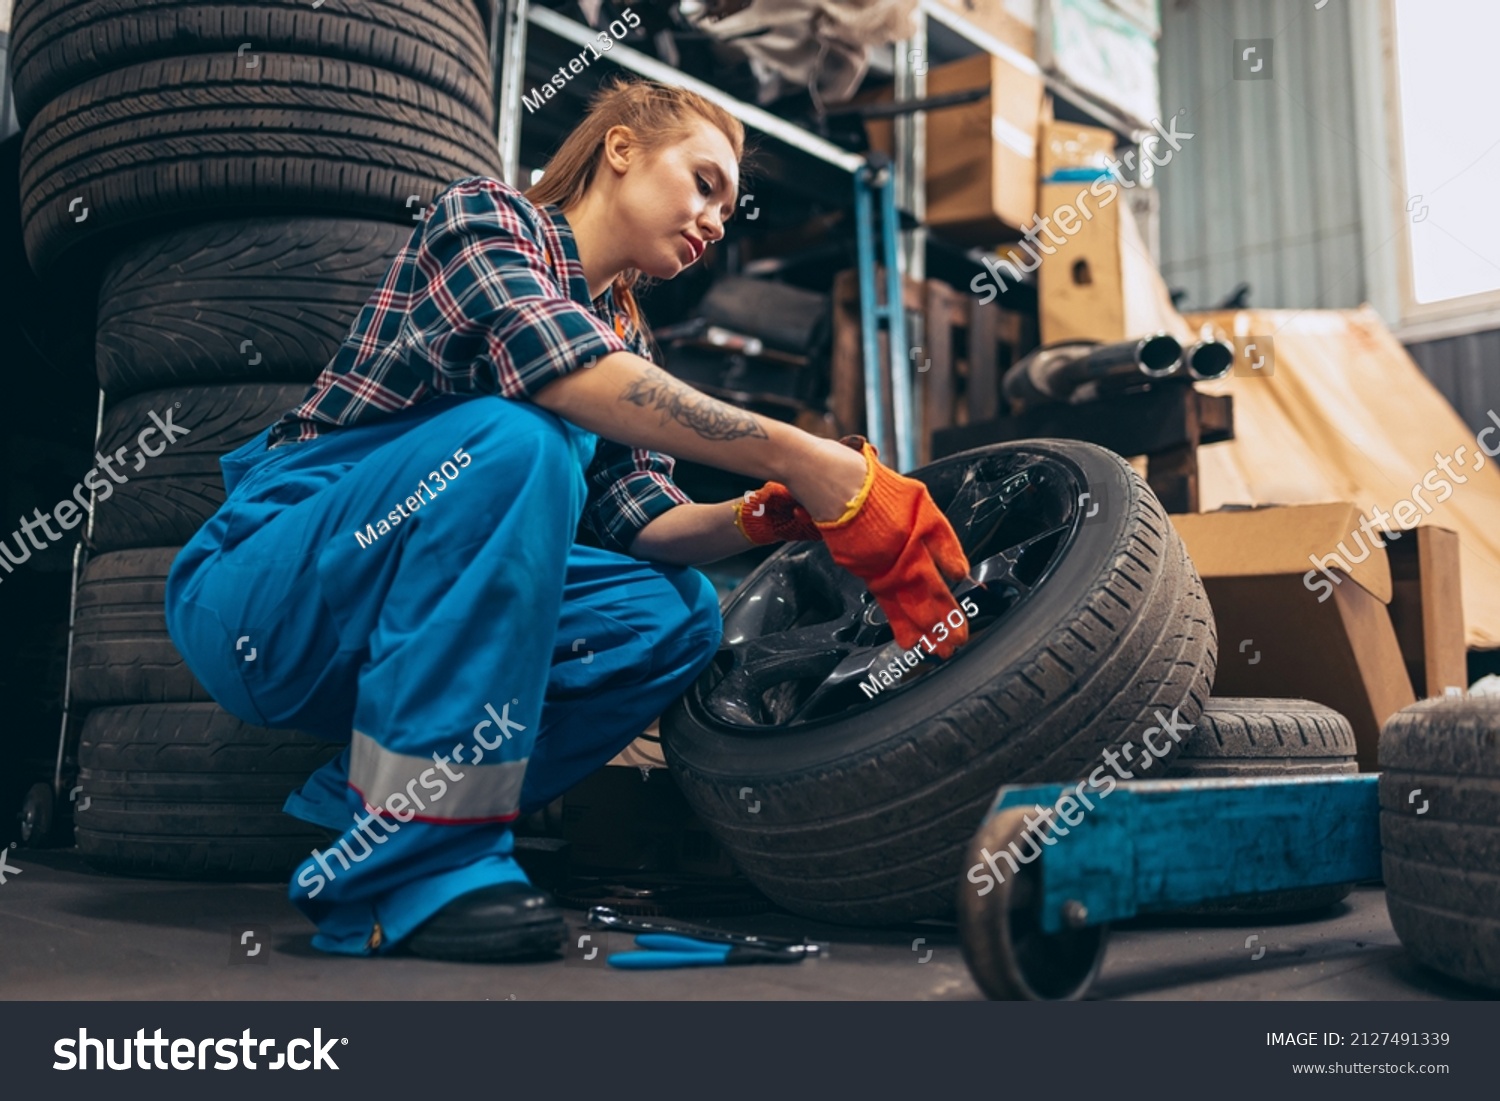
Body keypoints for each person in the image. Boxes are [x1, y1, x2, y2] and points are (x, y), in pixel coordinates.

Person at [164, 76, 970, 962]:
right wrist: (808, 458)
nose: (714, 222)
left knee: (676, 613)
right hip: (272, 586)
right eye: (704, 184)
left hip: (386, 627)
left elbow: (644, 523)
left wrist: (763, 517)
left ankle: (382, 819)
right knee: (516, 440)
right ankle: (417, 857)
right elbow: (556, 368)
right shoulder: (484, 219)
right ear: (622, 149)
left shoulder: (628, 340)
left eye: (730, 210)